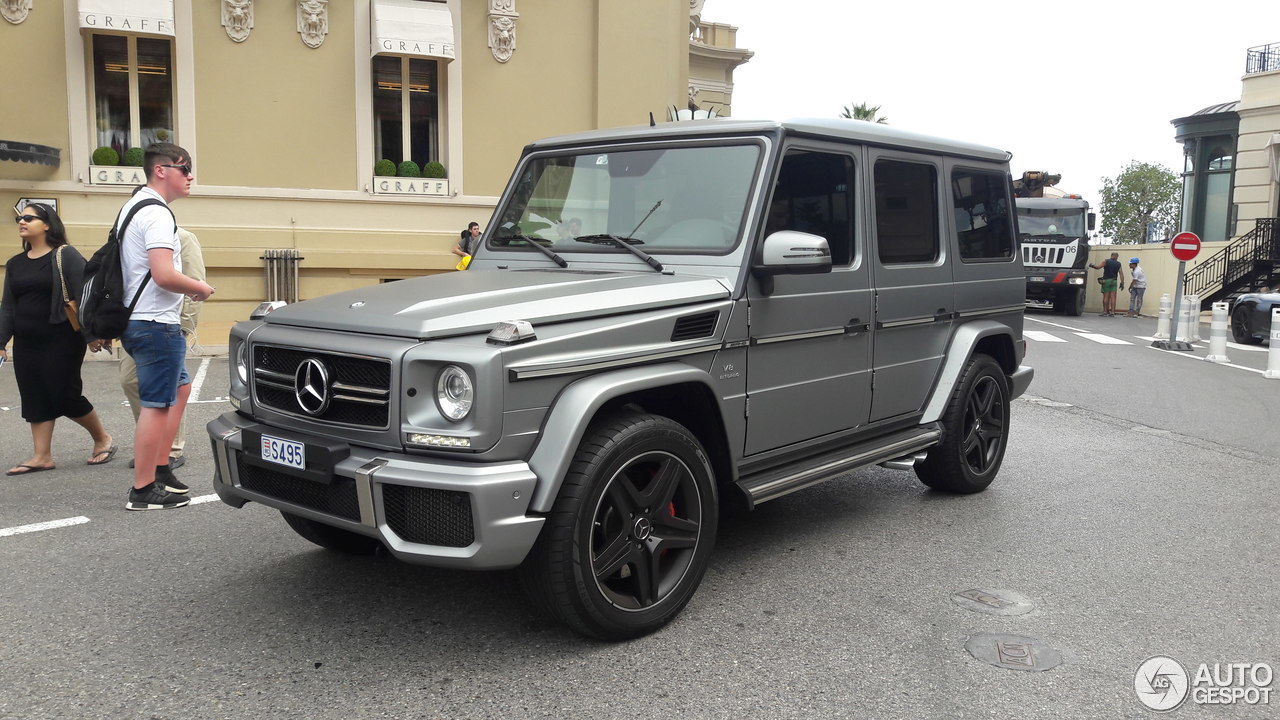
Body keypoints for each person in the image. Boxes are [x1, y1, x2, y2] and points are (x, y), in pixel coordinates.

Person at [118, 143, 214, 510]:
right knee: (156, 405)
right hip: (155, 322)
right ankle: (143, 490)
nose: (190, 176)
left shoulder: (134, 207)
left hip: (140, 320)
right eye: (185, 168)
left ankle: (160, 469)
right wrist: (199, 288)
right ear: (161, 170)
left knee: (182, 388)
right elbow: (163, 275)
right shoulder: (157, 214)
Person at [0, 203, 115, 476]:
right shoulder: (15, 264)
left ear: (48, 224)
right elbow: (7, 306)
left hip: (62, 338)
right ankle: (42, 455)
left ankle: (102, 438)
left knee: (64, 394)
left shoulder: (66, 255)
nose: (22, 221)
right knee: (34, 395)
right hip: (27, 341)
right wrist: (1, 342)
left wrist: (92, 334)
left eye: (29, 218)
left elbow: (84, 294)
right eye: (20, 218)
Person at [120, 226, 205, 470]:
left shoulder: (183, 238)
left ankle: (170, 449)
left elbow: (195, 279)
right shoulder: (131, 237)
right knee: (130, 381)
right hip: (137, 322)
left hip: (168, 324)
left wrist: (186, 326)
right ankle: (152, 443)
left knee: (174, 386)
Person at [1088, 252, 1125, 317]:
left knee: (1106, 297)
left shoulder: (1106, 261)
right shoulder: (1118, 264)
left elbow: (1098, 267)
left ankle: (1105, 311)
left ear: (1111, 255)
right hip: (1114, 281)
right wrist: (1122, 283)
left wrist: (1091, 265)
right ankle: (1112, 312)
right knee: (1113, 297)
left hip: (1106, 280)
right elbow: (1121, 274)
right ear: (1116, 256)